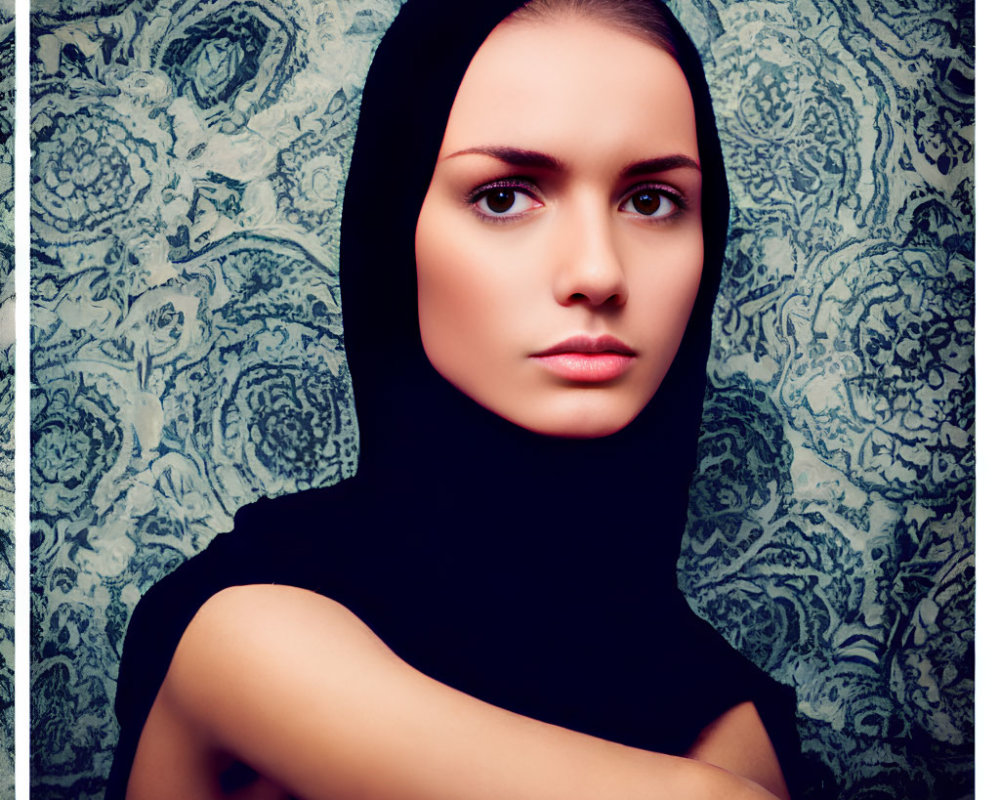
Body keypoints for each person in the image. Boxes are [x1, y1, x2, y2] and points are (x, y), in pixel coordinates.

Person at [106, 1, 808, 798]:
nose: (599, 272)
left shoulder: (731, 718)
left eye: (650, 200)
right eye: (506, 196)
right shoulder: (247, 632)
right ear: (393, 228)